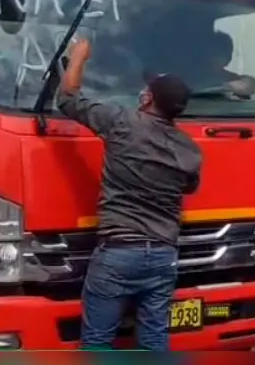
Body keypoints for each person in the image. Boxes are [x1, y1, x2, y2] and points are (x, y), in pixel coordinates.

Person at [57, 38, 202, 352]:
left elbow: (68, 99)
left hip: (119, 254)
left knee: (97, 341)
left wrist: (78, 57)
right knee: (153, 340)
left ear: (147, 97)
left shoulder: (123, 123)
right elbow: (189, 187)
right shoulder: (190, 150)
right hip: (164, 256)